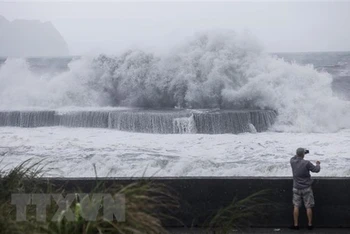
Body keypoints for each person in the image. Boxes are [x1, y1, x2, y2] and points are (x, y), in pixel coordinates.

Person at [290, 148, 320, 230]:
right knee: (308, 206)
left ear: (296, 154)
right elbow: (316, 170)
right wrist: (318, 164)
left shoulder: (292, 161)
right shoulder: (307, 163)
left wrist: (301, 153)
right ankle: (309, 225)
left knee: (296, 206)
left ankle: (296, 225)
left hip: (296, 187)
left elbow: (295, 156)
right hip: (306, 188)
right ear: (303, 154)